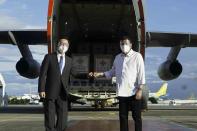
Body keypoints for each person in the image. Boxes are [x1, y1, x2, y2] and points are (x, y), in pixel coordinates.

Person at [89, 36, 145, 131]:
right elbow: (112, 72)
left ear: (131, 44)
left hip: (134, 92)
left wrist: (140, 90)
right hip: (122, 93)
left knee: (137, 117)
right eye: (122, 44)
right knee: (123, 118)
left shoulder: (137, 56)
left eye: (126, 43)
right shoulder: (117, 58)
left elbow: (141, 74)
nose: (124, 45)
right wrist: (99, 74)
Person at [38, 38, 78, 131]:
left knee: (63, 116)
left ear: (68, 47)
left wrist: (89, 75)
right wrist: (41, 89)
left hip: (63, 92)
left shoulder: (69, 60)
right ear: (58, 44)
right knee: (50, 115)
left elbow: (75, 74)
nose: (64, 46)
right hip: (50, 90)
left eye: (66, 44)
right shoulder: (49, 57)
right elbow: (42, 74)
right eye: (62, 43)